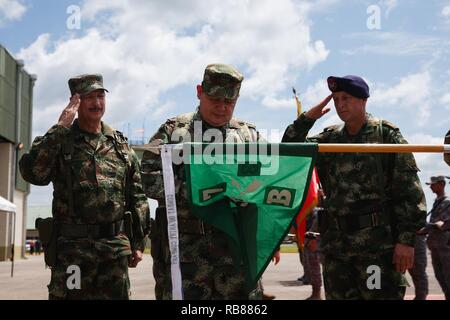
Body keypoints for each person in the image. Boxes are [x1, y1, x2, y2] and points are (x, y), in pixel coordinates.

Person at [282, 75, 426, 300]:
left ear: (363, 100)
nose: (340, 105)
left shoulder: (385, 135)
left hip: (376, 249)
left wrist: (406, 241)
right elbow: (289, 149)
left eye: (346, 98)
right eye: (336, 99)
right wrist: (307, 118)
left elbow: (409, 190)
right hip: (337, 250)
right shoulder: (330, 139)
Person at [19, 74, 150, 300]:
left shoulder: (120, 145)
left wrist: (138, 242)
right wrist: (60, 127)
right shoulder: (60, 141)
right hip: (73, 252)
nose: (97, 103)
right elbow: (34, 174)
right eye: (89, 97)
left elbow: (137, 196)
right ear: (75, 101)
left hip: (114, 250)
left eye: (100, 96)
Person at [141, 63, 261, 300]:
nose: (222, 107)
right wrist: (195, 191)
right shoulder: (173, 132)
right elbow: (147, 176)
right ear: (199, 92)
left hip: (234, 251)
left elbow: (261, 181)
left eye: (229, 102)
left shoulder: (248, 136)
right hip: (186, 252)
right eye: (215, 99)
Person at [419, 176, 450, 299]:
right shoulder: (437, 202)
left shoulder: (447, 202)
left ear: (442, 184)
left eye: (433, 184)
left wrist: (431, 226)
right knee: (440, 276)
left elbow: (443, 224)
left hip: (445, 248)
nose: (430, 187)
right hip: (435, 247)